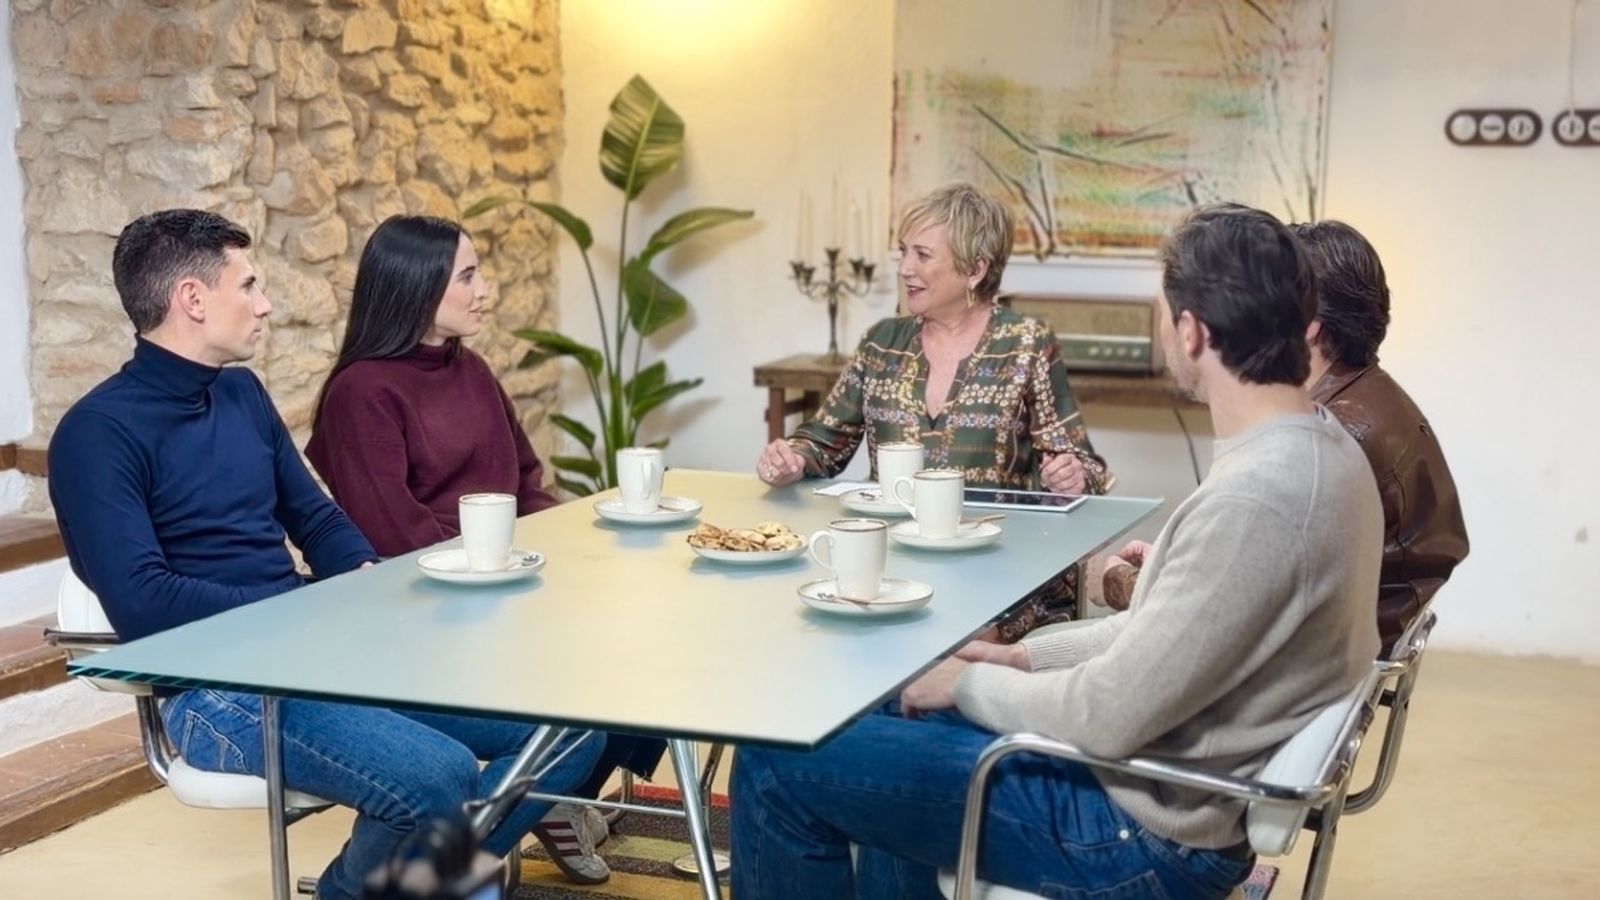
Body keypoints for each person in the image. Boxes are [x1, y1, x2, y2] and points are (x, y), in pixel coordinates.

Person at [729, 203, 1383, 899]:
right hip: (1169, 791)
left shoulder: (1256, 499)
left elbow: (1107, 714)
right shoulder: (1322, 452)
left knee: (776, 760)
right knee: (894, 706)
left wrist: (969, 684)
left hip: (1138, 834)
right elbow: (1156, 634)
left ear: (1191, 332)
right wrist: (1019, 657)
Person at [47, 210, 604, 900]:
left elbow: (314, 516)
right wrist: (304, 604)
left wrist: (361, 578)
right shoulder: (97, 434)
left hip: (313, 653)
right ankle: (405, 883)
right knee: (438, 773)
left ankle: (389, 886)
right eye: (248, 286)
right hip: (215, 691)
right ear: (192, 300)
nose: (266, 303)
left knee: (577, 724)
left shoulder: (240, 392)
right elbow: (143, 604)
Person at [307, 215, 662, 885]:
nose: (485, 289)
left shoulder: (469, 369)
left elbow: (527, 484)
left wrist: (588, 556)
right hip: (424, 617)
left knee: (637, 643)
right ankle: (440, 866)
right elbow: (397, 541)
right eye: (468, 276)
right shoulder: (362, 393)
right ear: (417, 287)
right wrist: (520, 590)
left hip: (497, 590)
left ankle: (542, 805)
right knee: (588, 685)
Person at [756, 182, 1111, 635]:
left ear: (975, 269)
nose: (905, 269)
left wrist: (1073, 476)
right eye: (903, 252)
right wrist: (792, 457)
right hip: (889, 575)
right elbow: (825, 442)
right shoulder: (882, 342)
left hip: (996, 579)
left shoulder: (1026, 345)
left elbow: (1082, 466)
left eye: (922, 255)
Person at [1102, 220, 1468, 653]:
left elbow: (1224, 623)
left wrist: (1119, 582)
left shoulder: (1328, 442)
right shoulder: (1369, 396)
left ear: (1306, 321)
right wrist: (1173, 569)